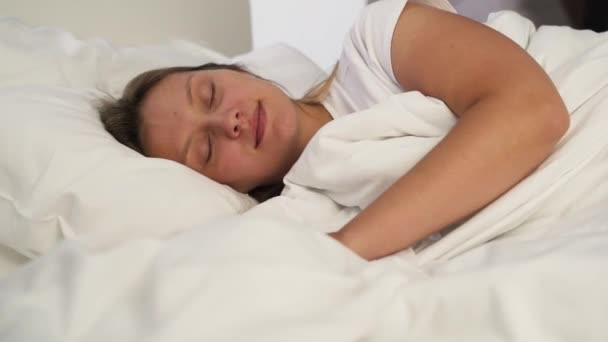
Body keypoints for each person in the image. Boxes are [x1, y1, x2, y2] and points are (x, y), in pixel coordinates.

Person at [98, 0, 570, 261]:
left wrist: (346, 251)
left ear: (241, 70)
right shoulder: (298, 220)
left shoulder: (375, 44)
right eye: (204, 148)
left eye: (211, 94)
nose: (228, 121)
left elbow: (533, 112)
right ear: (220, 186)